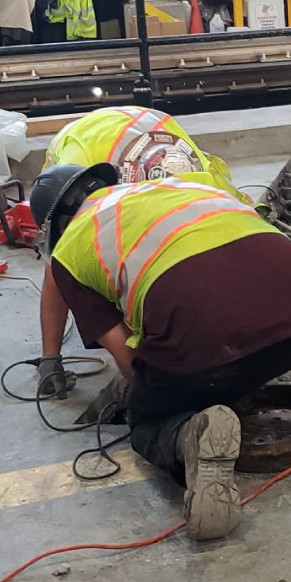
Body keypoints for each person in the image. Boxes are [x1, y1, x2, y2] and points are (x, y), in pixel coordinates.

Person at [30, 163, 291, 540]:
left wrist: (147, 395)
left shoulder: (71, 249)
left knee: (142, 418)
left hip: (202, 347)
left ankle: (190, 438)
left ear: (58, 225)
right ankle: (229, 385)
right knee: (222, 357)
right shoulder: (185, 186)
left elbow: (129, 364)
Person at [37, 106, 255, 397]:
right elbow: (60, 263)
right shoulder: (79, 167)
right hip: (87, 142)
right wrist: (50, 359)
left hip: (152, 126)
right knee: (83, 260)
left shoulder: (203, 178)